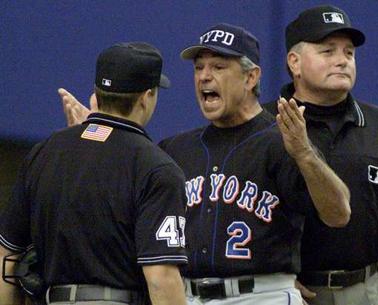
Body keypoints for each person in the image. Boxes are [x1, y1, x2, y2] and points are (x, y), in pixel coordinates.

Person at [57, 23, 351, 305]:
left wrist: (304, 153)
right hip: (187, 296)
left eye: (218, 67)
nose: (204, 77)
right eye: (199, 68)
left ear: (251, 78)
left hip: (261, 294)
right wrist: (97, 147)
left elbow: (338, 214)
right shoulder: (175, 149)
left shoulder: (282, 141)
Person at [0, 42, 188, 305]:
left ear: (96, 94)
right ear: (146, 97)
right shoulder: (156, 168)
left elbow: (6, 260)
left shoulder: (44, 153)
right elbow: (161, 278)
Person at [263, 5, 378, 305]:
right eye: (328, 51)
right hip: (292, 293)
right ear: (294, 62)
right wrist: (270, 283)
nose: (342, 61)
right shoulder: (264, 125)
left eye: (349, 53)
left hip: (370, 289)